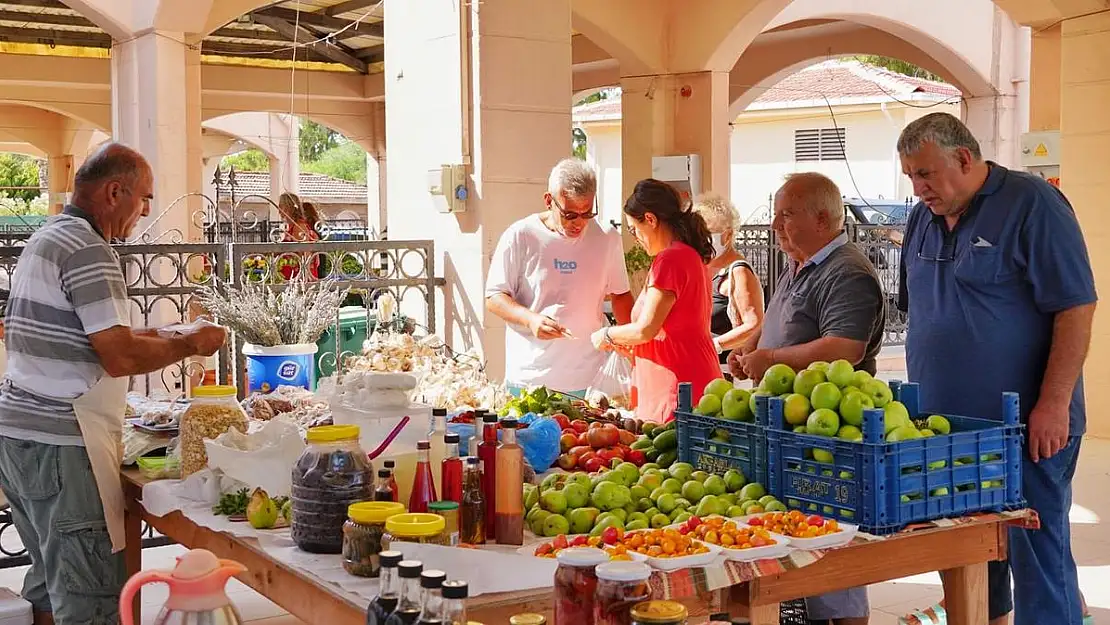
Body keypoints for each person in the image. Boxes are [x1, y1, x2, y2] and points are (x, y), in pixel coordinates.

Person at [0, 143, 228, 625]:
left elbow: (98, 334)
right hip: (62, 442)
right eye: (144, 197)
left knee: (47, 585)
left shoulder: (50, 236)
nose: (146, 210)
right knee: (89, 599)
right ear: (113, 191)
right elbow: (120, 355)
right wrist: (192, 345)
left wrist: (169, 333)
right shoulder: (89, 249)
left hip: (22, 436)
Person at [896, 112, 1095, 625]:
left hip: (1025, 426)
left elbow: (1074, 307)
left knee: (1036, 549)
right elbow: (921, 313)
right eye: (911, 177)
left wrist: (1053, 404)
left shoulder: (1032, 203)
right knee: (965, 551)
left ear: (964, 158)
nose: (918, 188)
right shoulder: (922, 218)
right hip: (947, 430)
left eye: (926, 174)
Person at [728, 172, 884, 625]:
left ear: (822, 218)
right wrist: (752, 351)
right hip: (792, 427)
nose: (775, 225)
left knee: (835, 552)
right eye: (776, 214)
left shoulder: (847, 271)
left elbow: (843, 348)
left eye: (786, 215)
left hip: (831, 431)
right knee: (806, 541)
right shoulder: (800, 263)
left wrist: (771, 356)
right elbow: (778, 321)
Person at [485, 158, 634, 395]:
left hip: (589, 379)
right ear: (548, 201)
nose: (579, 223)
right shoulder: (520, 235)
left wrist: (631, 339)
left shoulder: (607, 237)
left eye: (587, 213)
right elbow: (494, 297)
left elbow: (621, 294)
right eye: (570, 214)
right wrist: (530, 319)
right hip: (529, 379)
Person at [591, 179, 720, 423]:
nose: (635, 238)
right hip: (684, 380)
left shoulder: (670, 259)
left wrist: (607, 335)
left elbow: (646, 329)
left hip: (677, 387)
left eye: (633, 229)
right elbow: (669, 330)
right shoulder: (686, 256)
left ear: (650, 220)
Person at [691, 193, 764, 368]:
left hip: (726, 372)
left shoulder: (738, 271)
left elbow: (754, 324)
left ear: (728, 235)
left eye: (707, 233)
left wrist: (714, 345)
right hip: (700, 364)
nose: (701, 241)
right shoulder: (703, 267)